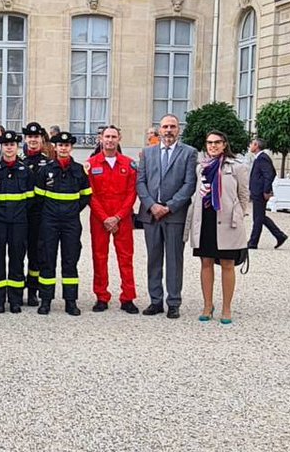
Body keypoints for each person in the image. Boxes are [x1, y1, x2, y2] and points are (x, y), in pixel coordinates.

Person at [135, 114, 198, 319]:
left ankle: (173, 302)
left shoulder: (189, 153)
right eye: (165, 127)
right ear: (159, 130)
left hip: (174, 215)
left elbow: (189, 184)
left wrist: (169, 206)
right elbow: (140, 182)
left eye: (172, 126)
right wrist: (152, 205)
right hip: (151, 215)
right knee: (153, 259)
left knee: (174, 259)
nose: (168, 130)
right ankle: (155, 301)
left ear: (178, 129)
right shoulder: (147, 153)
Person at [188, 131, 250, 325]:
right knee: (206, 263)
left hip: (227, 220)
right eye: (209, 143)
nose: (213, 146)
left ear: (224, 144)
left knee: (227, 264)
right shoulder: (201, 167)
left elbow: (244, 194)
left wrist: (238, 215)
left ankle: (226, 308)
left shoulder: (238, 167)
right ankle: (208, 305)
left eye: (217, 142)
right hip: (205, 219)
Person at [34, 131, 92, 316]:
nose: (63, 148)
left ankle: (70, 301)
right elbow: (38, 197)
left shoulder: (79, 170)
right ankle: (45, 300)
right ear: (55, 148)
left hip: (71, 222)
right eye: (60, 145)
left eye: (66, 145)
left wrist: (72, 210)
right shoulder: (46, 169)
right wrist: (50, 212)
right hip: (49, 221)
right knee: (47, 260)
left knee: (70, 260)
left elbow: (86, 196)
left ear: (71, 148)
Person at [86, 125, 139, 313]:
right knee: (99, 257)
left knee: (126, 258)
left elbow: (132, 193)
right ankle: (101, 296)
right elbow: (89, 195)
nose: (110, 140)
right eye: (106, 136)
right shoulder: (91, 164)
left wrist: (117, 217)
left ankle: (128, 298)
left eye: (113, 136)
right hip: (99, 218)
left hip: (122, 217)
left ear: (119, 139)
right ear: (100, 138)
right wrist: (104, 217)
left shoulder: (129, 164)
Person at [0, 130, 31, 313]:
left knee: (17, 258)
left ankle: (16, 299)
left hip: (18, 222)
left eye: (12, 145)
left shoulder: (25, 170)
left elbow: (31, 200)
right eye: (6, 145)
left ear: (17, 147)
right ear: (1, 147)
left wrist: (23, 217)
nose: (9, 148)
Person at [21, 121, 50, 307]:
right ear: (25, 139)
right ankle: (16, 289)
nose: (33, 140)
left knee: (36, 254)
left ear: (41, 140)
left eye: (36, 137)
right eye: (30, 137)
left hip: (39, 217)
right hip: (21, 216)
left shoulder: (48, 163)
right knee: (18, 253)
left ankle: (33, 291)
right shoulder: (19, 163)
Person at [247, 137, 288, 250]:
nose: (250, 146)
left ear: (256, 146)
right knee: (260, 217)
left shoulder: (262, 158)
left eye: (252, 144)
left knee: (258, 217)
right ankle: (280, 236)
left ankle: (253, 242)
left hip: (260, 192)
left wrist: (266, 190)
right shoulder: (259, 158)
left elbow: (269, 174)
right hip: (257, 191)